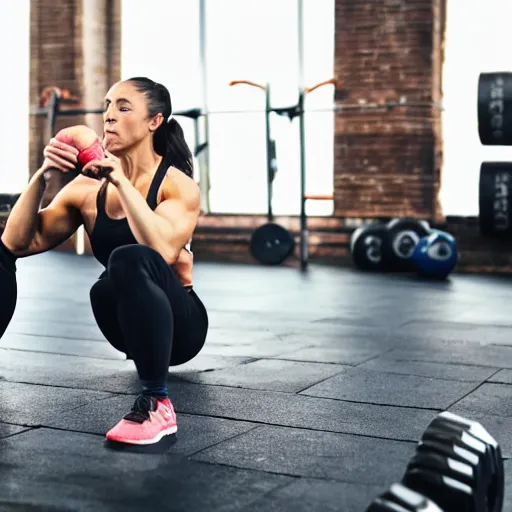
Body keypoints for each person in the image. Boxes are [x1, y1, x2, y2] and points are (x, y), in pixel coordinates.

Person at [0, 77, 209, 445]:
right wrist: (43, 175)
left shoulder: (177, 185)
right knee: (101, 283)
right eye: (108, 105)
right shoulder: (85, 189)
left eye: (123, 107)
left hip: (183, 326)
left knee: (129, 258)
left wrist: (121, 182)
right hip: (124, 322)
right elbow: (17, 242)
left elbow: (160, 251)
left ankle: (157, 404)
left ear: (154, 122)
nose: (109, 116)